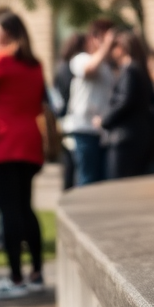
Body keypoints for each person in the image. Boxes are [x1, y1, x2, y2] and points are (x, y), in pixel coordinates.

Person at [0, 12, 46, 299]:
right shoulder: (34, 64)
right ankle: (36, 273)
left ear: (5, 34)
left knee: (9, 210)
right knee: (26, 207)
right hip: (27, 141)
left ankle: (15, 278)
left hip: (1, 141)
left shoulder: (0, 59)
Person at [96, 31, 154, 179]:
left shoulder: (130, 70)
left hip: (125, 138)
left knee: (120, 184)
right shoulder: (138, 69)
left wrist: (104, 120)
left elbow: (124, 100)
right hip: (137, 136)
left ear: (122, 48)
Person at [59, 20, 116, 187]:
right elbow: (90, 69)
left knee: (99, 182)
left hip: (101, 132)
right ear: (93, 38)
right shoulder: (80, 59)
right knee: (87, 180)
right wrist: (106, 45)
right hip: (84, 129)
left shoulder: (106, 66)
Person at [50, 33, 87, 190]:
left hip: (63, 118)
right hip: (71, 119)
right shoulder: (71, 67)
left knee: (68, 164)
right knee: (73, 164)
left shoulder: (61, 66)